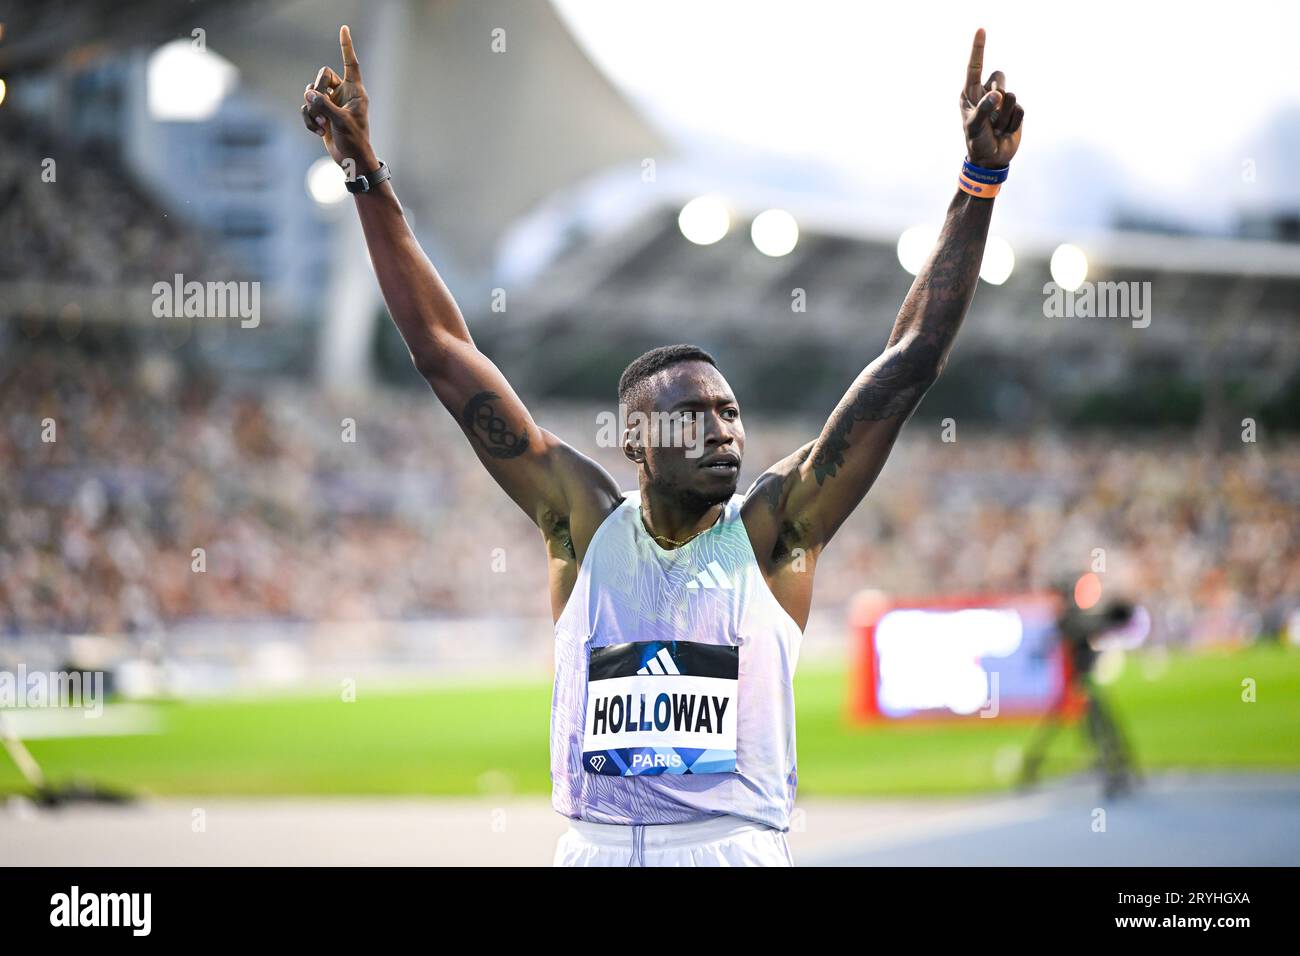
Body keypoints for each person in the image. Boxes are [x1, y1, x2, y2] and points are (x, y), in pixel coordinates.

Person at [300, 25, 1024, 866]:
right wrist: (363, 174)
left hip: (728, 850)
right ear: (637, 441)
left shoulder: (774, 532)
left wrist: (980, 181)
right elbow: (439, 349)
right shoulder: (578, 519)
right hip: (595, 849)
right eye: (696, 416)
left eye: (730, 411)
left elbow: (909, 365)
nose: (725, 431)